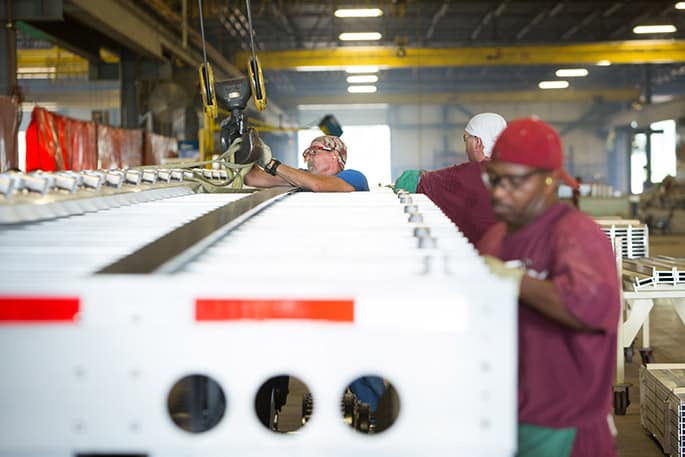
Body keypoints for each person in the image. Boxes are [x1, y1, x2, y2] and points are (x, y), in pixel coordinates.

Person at [477, 117, 620, 457]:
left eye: (513, 182)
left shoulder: (575, 235)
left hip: (562, 424)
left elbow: (590, 307)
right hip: (506, 415)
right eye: (494, 179)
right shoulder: (495, 238)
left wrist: (517, 282)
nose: (499, 192)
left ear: (548, 181)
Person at [395, 112, 507, 244]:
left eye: (466, 139)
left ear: (477, 142)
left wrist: (423, 175)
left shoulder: (468, 174)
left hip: (479, 257)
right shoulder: (516, 174)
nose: (466, 147)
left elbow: (407, 182)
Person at [239, 132, 369, 191]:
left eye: (313, 152)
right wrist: (247, 149)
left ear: (334, 155)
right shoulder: (302, 178)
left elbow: (318, 185)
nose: (307, 158)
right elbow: (253, 178)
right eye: (306, 154)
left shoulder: (355, 177)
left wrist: (271, 164)